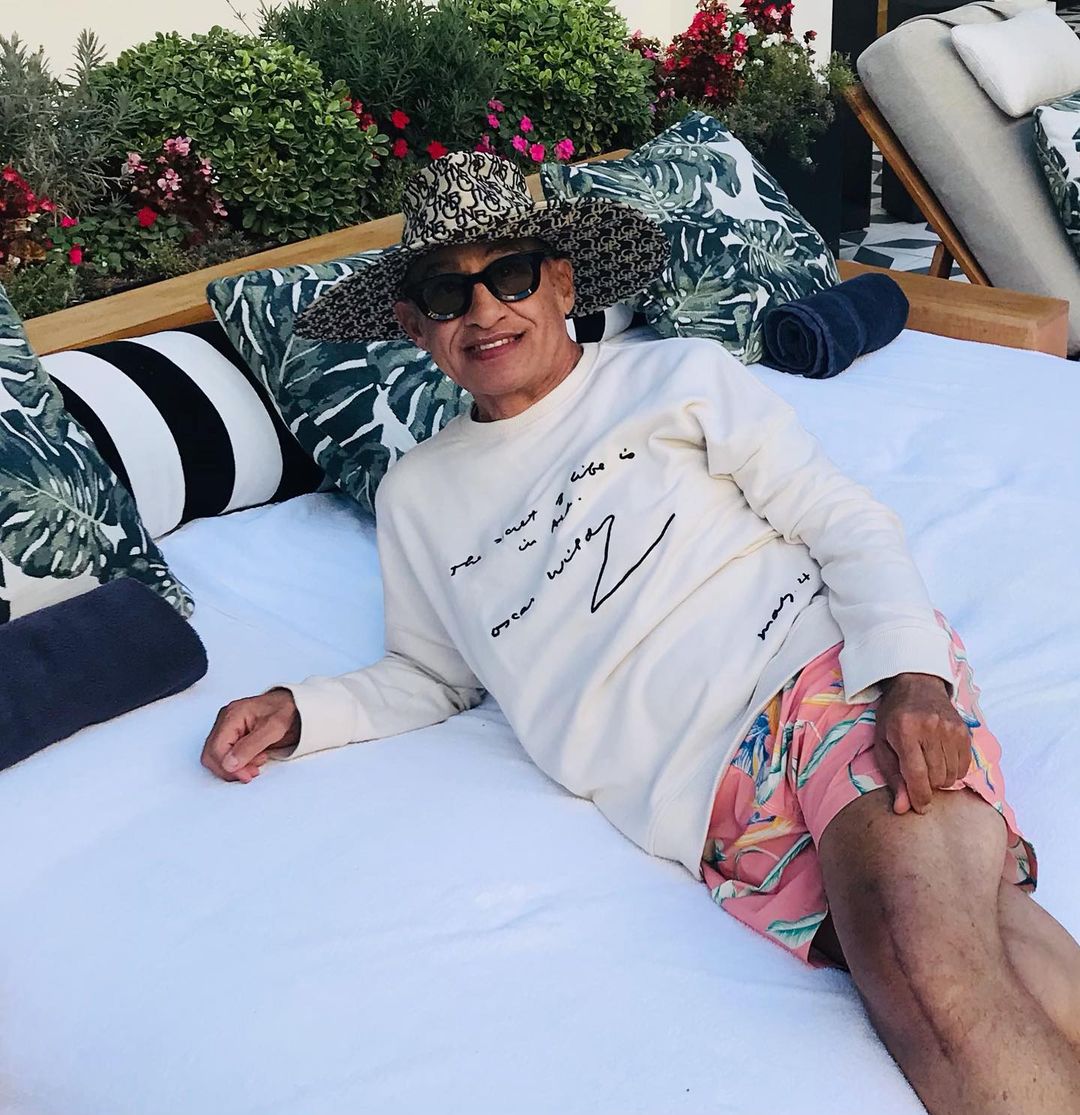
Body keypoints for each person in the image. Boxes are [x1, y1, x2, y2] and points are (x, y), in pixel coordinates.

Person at [201, 152, 1080, 1113]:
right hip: (702, 803)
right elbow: (434, 671)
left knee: (928, 969)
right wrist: (303, 710)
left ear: (560, 282)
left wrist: (913, 675)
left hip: (817, 676)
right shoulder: (417, 495)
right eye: (448, 294)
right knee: (966, 930)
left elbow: (840, 516)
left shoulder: (675, 376)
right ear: (416, 327)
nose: (484, 310)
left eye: (510, 276)